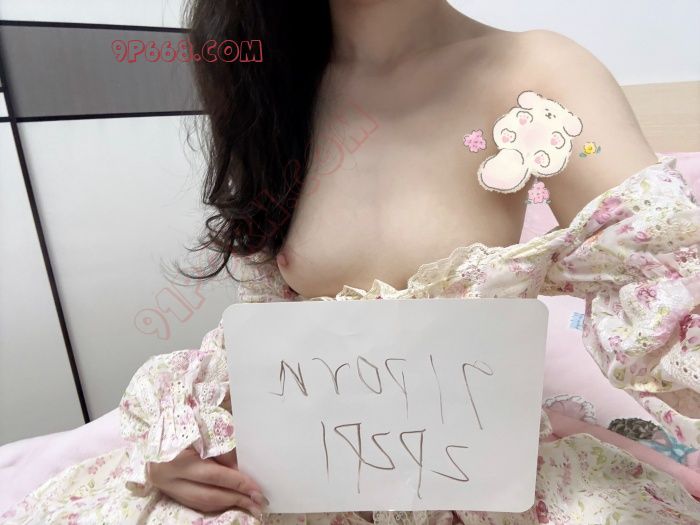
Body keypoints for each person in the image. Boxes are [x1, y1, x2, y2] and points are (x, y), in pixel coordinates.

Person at [3, 0, 700, 523]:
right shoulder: (268, 80)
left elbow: (669, 278)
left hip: (473, 474)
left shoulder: (537, 78)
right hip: (287, 474)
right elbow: (268, 328)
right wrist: (180, 432)